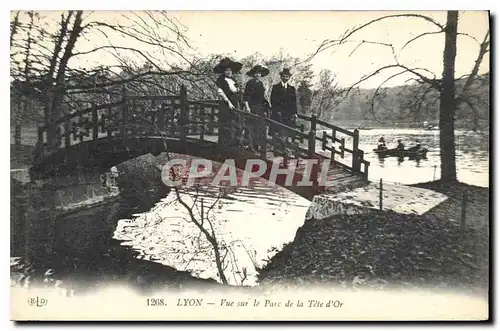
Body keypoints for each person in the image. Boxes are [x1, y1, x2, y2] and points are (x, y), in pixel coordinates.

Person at [214, 57, 243, 147]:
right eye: (226, 70)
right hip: (225, 104)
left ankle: (233, 143)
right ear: (223, 71)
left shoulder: (233, 80)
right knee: (226, 124)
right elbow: (221, 93)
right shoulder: (221, 80)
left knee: (234, 123)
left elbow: (236, 91)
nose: (229, 72)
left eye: (230, 70)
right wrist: (228, 103)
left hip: (234, 103)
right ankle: (224, 144)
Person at [243, 64, 270, 152]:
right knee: (251, 126)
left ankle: (256, 145)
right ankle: (249, 145)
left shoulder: (261, 84)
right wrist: (247, 107)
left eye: (259, 73)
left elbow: (262, 98)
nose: (257, 75)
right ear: (253, 74)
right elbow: (245, 96)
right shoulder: (250, 83)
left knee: (259, 126)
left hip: (260, 107)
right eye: (256, 73)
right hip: (251, 106)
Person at [270, 68, 298, 140]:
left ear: (289, 78)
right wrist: (277, 110)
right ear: (281, 76)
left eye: (287, 76)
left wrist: (295, 113)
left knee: (286, 130)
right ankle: (276, 146)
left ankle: (285, 146)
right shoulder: (275, 87)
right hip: (278, 112)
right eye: (284, 76)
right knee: (277, 129)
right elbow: (272, 100)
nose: (285, 78)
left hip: (288, 113)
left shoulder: (292, 89)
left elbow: (294, 102)